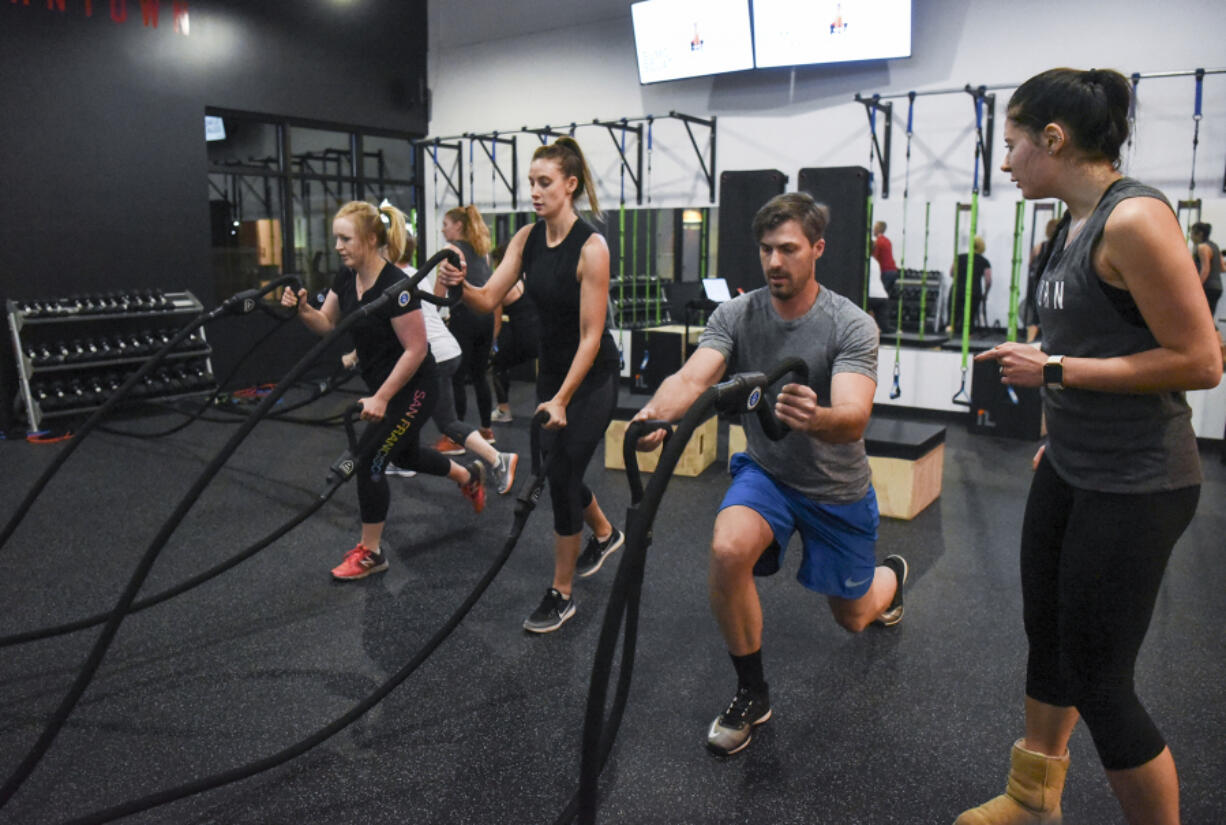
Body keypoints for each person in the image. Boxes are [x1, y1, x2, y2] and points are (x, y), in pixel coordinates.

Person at [964, 68, 1222, 825]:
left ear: (1055, 139)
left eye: (1012, 146)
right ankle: (1032, 798)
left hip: (1140, 481)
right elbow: (1086, 336)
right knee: (1047, 638)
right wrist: (1057, 423)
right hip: (1072, 466)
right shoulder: (1067, 226)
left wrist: (1052, 369)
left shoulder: (1133, 219)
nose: (1005, 162)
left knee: (1103, 680)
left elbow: (1202, 359)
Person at [632, 192, 906, 757]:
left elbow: (853, 420)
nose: (775, 262)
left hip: (835, 489)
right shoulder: (735, 314)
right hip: (768, 472)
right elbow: (693, 377)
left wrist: (818, 416)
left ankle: (893, 579)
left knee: (853, 619)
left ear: (817, 249)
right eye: (766, 250)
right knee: (729, 549)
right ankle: (752, 693)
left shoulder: (849, 324)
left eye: (788, 249)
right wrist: (658, 412)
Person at [439, 137, 624, 633]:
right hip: (551, 378)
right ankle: (604, 533)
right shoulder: (526, 239)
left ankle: (561, 593)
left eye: (545, 183)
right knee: (558, 468)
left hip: (592, 378)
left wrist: (562, 398)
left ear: (570, 184)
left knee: (561, 479)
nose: (535, 192)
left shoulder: (592, 247)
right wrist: (459, 285)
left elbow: (591, 336)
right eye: (531, 183)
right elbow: (486, 299)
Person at [280, 200, 488, 581]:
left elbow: (416, 349)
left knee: (371, 459)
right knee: (405, 454)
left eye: (346, 238)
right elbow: (328, 325)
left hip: (416, 386)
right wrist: (303, 309)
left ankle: (372, 553)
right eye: (336, 239)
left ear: (372, 238)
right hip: (385, 387)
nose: (339, 246)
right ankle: (467, 475)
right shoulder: (346, 278)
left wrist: (382, 398)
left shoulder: (397, 287)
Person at [399, 231, 518, 495]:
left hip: (435, 355)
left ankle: (498, 459)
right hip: (443, 349)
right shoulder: (413, 273)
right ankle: (402, 456)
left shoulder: (398, 280)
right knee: (427, 412)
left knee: (445, 420)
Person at [438, 204, 497, 450]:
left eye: (445, 224)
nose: (442, 230)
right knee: (480, 374)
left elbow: (439, 294)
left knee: (457, 378)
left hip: (465, 318)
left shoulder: (451, 250)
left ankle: (456, 438)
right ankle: (486, 430)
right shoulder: (482, 251)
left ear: (458, 226)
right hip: (486, 317)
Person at [487, 243, 541, 424]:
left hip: (522, 338)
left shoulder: (500, 283)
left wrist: (491, 346)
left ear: (498, 262)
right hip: (538, 335)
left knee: (498, 366)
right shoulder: (524, 277)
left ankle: (504, 410)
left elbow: (496, 323)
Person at [1024, 218, 1059, 341]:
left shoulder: (1039, 247)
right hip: (1054, 286)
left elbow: (1030, 265)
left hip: (1039, 285)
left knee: (1035, 317)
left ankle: (1030, 342)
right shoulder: (1063, 247)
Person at [949, 236, 992, 333]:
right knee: (968, 319)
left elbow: (951, 273)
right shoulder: (984, 262)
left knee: (954, 318)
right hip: (974, 292)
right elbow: (988, 281)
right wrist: (985, 294)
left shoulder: (959, 257)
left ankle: (952, 338)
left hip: (957, 291)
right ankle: (967, 338)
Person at [1190, 222, 1222, 317]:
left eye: (1191, 233)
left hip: (1207, 287)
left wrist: (1196, 287)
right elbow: (1223, 268)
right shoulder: (1215, 246)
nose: (1191, 236)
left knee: (1200, 317)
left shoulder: (1202, 247)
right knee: (1209, 319)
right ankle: (1215, 332)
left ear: (1199, 234)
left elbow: (1205, 269)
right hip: (1217, 288)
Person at [871, 220, 899, 294]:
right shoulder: (887, 241)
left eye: (874, 228)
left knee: (879, 294)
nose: (873, 230)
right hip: (893, 272)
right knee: (885, 294)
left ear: (878, 229)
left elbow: (874, 259)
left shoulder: (878, 242)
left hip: (885, 272)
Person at [865, 253, 890, 331]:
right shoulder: (875, 262)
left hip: (870, 295)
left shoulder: (865, 261)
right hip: (882, 296)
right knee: (883, 325)